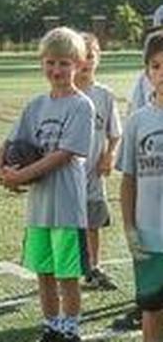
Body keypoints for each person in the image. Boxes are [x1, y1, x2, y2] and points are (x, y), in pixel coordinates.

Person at [0, 26, 95, 342]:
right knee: (44, 272)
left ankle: (70, 327)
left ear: (79, 65)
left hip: (66, 206)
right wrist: (0, 170)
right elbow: (11, 141)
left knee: (67, 274)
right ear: (42, 63)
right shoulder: (36, 105)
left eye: (64, 63)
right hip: (38, 208)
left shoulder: (82, 106)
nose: (57, 70)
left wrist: (21, 176)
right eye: (51, 62)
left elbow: (63, 155)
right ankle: (51, 324)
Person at [116, 31, 163, 342]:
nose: (162, 73)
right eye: (156, 66)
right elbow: (128, 180)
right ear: (147, 72)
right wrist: (130, 227)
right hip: (149, 236)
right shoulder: (137, 121)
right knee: (152, 310)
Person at [75, 32, 121, 291]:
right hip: (68, 174)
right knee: (68, 226)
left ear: (98, 59)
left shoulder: (104, 95)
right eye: (81, 56)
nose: (86, 62)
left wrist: (110, 154)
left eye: (90, 55)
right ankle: (68, 268)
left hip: (93, 173)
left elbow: (115, 133)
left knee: (93, 224)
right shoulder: (66, 93)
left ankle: (94, 267)